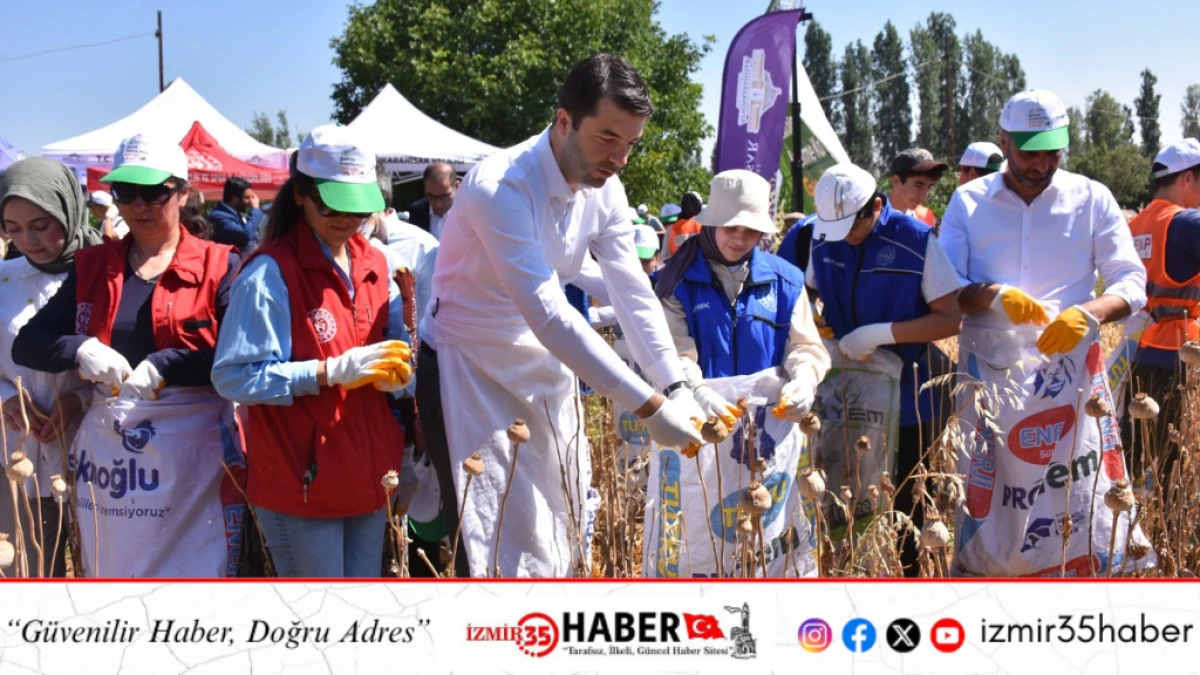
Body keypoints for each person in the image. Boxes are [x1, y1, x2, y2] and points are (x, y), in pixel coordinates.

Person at [418, 53, 706, 578]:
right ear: (564, 120)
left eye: (631, 145)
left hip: (545, 361)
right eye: (607, 139)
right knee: (493, 529)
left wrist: (675, 384)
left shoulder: (607, 188)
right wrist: (648, 405)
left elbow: (631, 291)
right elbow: (549, 314)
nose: (620, 158)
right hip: (469, 365)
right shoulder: (500, 187)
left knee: (563, 515)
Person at [13, 133, 244, 578]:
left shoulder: (222, 265)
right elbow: (29, 342)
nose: (140, 205)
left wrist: (167, 363)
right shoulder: (94, 265)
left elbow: (235, 357)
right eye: (126, 192)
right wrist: (81, 349)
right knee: (116, 570)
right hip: (116, 464)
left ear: (183, 192)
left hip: (195, 455)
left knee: (197, 571)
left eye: (155, 192)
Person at [211, 124, 413, 578]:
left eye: (358, 210)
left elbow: (401, 354)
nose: (347, 220)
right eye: (333, 206)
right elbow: (233, 377)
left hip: (371, 474)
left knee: (359, 619)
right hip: (300, 483)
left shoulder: (377, 263)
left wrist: (398, 374)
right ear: (300, 194)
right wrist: (326, 372)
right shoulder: (269, 273)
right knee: (319, 623)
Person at [807, 162, 964, 576]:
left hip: (913, 398)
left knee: (908, 509)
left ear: (876, 206)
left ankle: (915, 591)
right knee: (846, 499)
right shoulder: (823, 237)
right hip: (848, 395)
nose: (843, 239)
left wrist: (882, 333)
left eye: (852, 228)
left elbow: (950, 318)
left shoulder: (915, 241)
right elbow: (807, 291)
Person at [656, 168, 829, 420]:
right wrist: (697, 391)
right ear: (711, 224)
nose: (740, 239)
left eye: (751, 230)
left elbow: (804, 345)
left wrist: (804, 378)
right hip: (699, 419)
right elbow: (672, 352)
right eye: (730, 228)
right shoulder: (678, 281)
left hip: (767, 424)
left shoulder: (786, 281)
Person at [0, 158, 102, 578]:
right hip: (15, 453)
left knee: (101, 571)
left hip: (98, 456)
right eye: (12, 227)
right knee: (29, 571)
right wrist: (6, 397)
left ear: (68, 209)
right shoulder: (3, 279)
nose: (28, 240)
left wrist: (77, 401)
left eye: (41, 224)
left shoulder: (103, 274)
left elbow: (127, 362)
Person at [1121, 138, 1200, 468]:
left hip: (1137, 351)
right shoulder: (1186, 222)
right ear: (1186, 179)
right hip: (1181, 354)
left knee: (1137, 453)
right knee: (1173, 461)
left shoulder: (1133, 226)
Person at [888, 148, 948, 227]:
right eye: (919, 186)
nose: (924, 195)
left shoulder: (925, 217)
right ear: (896, 181)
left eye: (929, 187)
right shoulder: (872, 216)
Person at [207, 177, 266, 252]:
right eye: (247, 198)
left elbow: (253, 237)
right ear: (234, 199)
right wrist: (255, 210)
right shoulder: (219, 217)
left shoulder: (236, 215)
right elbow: (245, 235)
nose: (250, 202)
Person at [407, 162, 458, 240]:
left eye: (444, 196)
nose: (438, 204)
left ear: (457, 186)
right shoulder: (417, 211)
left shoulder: (469, 211)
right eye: (431, 196)